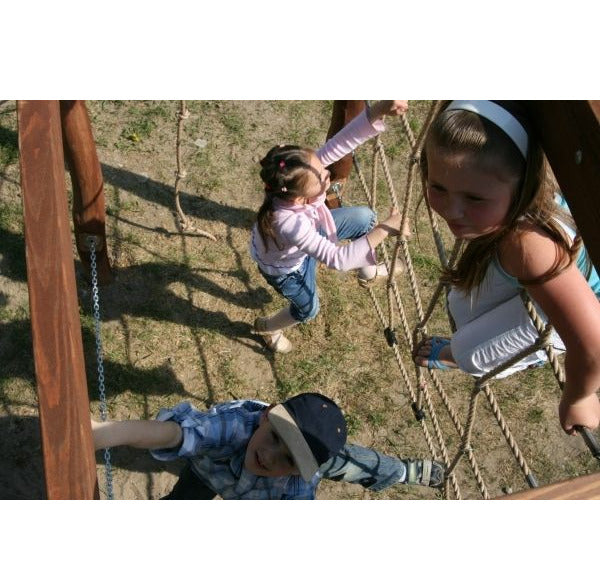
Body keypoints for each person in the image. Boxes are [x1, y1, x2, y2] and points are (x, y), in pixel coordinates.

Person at [413, 100, 600, 435]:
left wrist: (579, 395)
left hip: (580, 308)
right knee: (458, 303)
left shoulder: (529, 245)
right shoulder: (502, 219)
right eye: (438, 187)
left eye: (474, 199)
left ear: (520, 188)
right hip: (532, 276)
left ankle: (535, 352)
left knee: (471, 354)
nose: (453, 211)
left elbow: (593, 342)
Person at [250, 100, 410, 353]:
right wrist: (386, 229)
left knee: (364, 217)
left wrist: (378, 110)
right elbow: (338, 259)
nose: (327, 172)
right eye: (324, 177)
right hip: (288, 270)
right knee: (308, 309)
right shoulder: (289, 223)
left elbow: (342, 141)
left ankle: (368, 273)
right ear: (302, 198)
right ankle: (268, 327)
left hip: (308, 240)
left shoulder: (300, 179)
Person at [92, 392, 445, 500]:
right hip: (209, 470)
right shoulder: (235, 429)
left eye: (288, 458)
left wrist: (297, 463)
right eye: (276, 437)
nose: (268, 455)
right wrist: (109, 433)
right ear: (266, 418)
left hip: (297, 472)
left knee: (349, 462)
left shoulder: (297, 484)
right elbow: (173, 434)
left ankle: (398, 470)